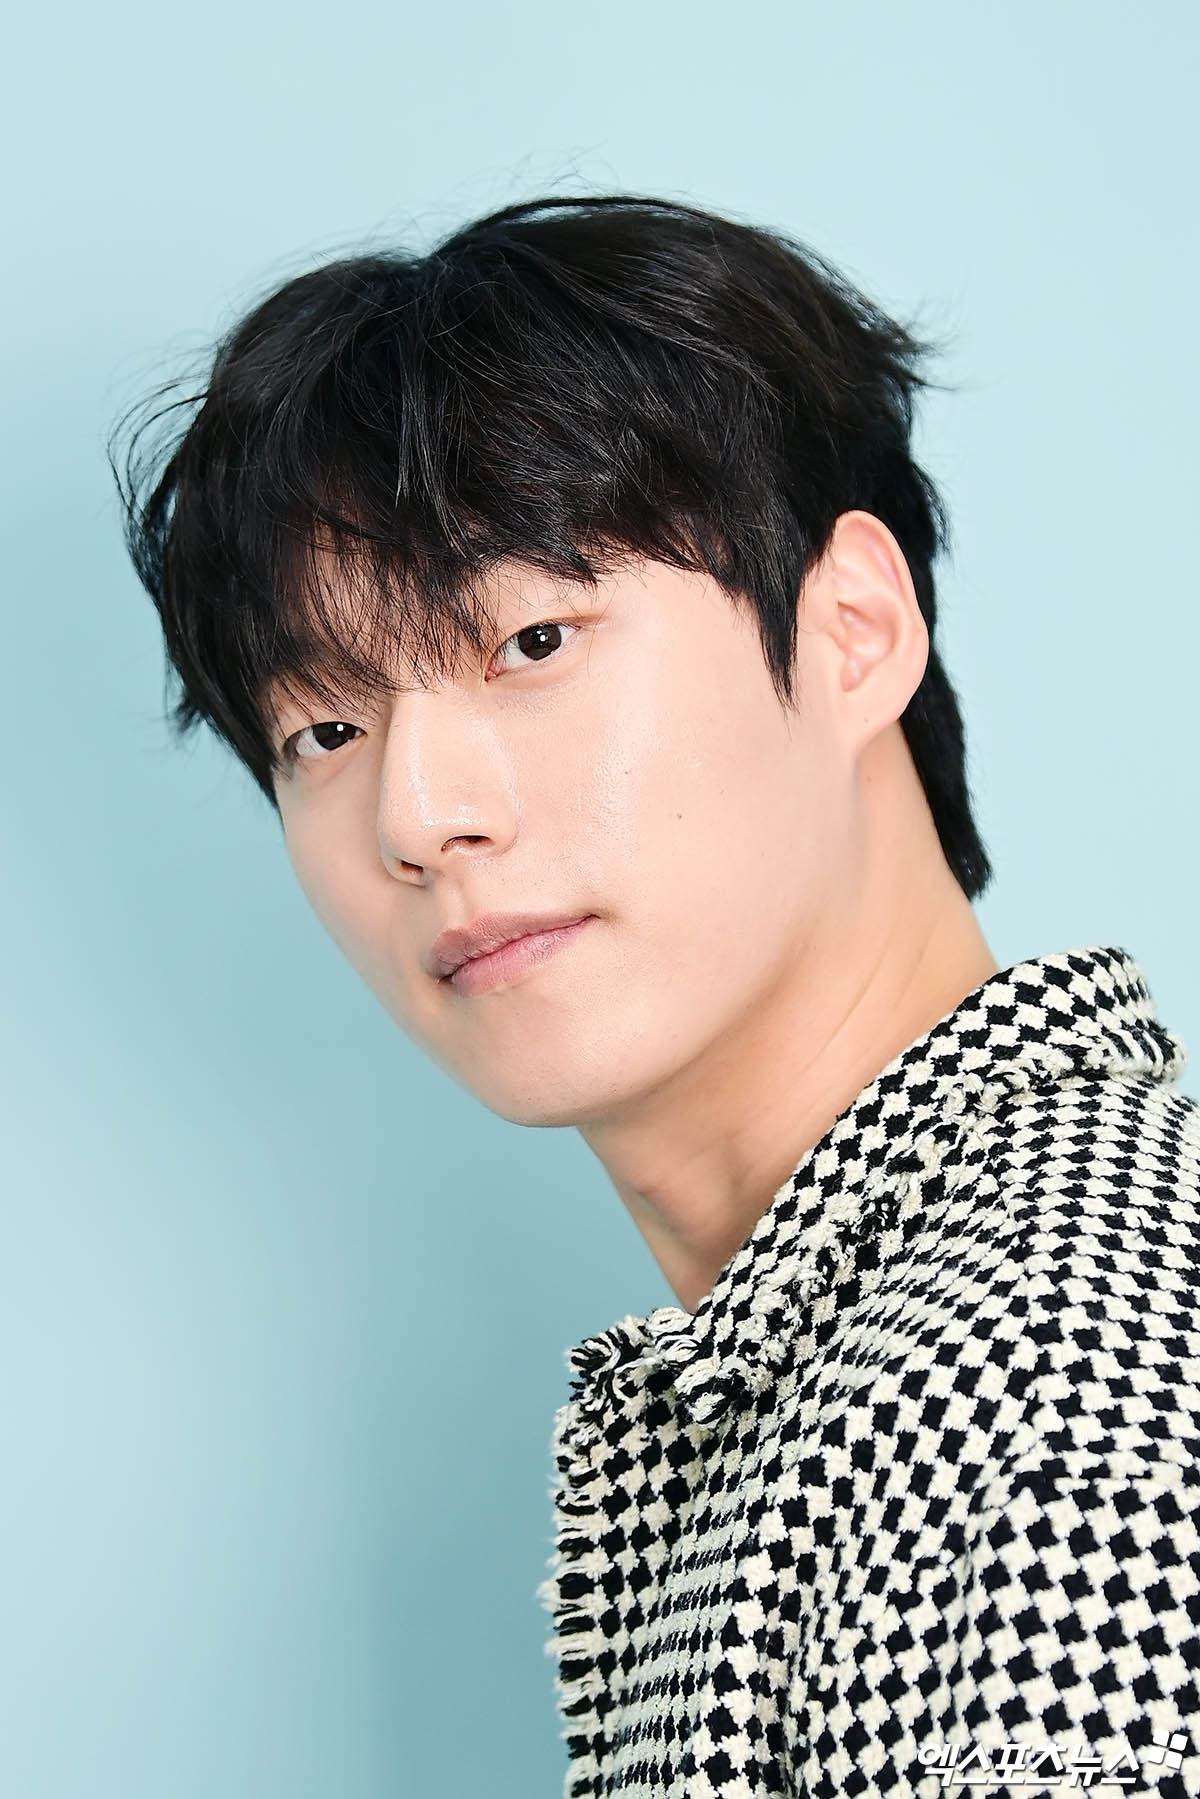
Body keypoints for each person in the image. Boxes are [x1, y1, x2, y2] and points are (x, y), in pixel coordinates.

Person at [113, 195, 1200, 1797]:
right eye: (324, 732)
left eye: (531, 639)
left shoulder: (1040, 1398)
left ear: (852, 632)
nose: (419, 816)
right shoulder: (883, 1355)